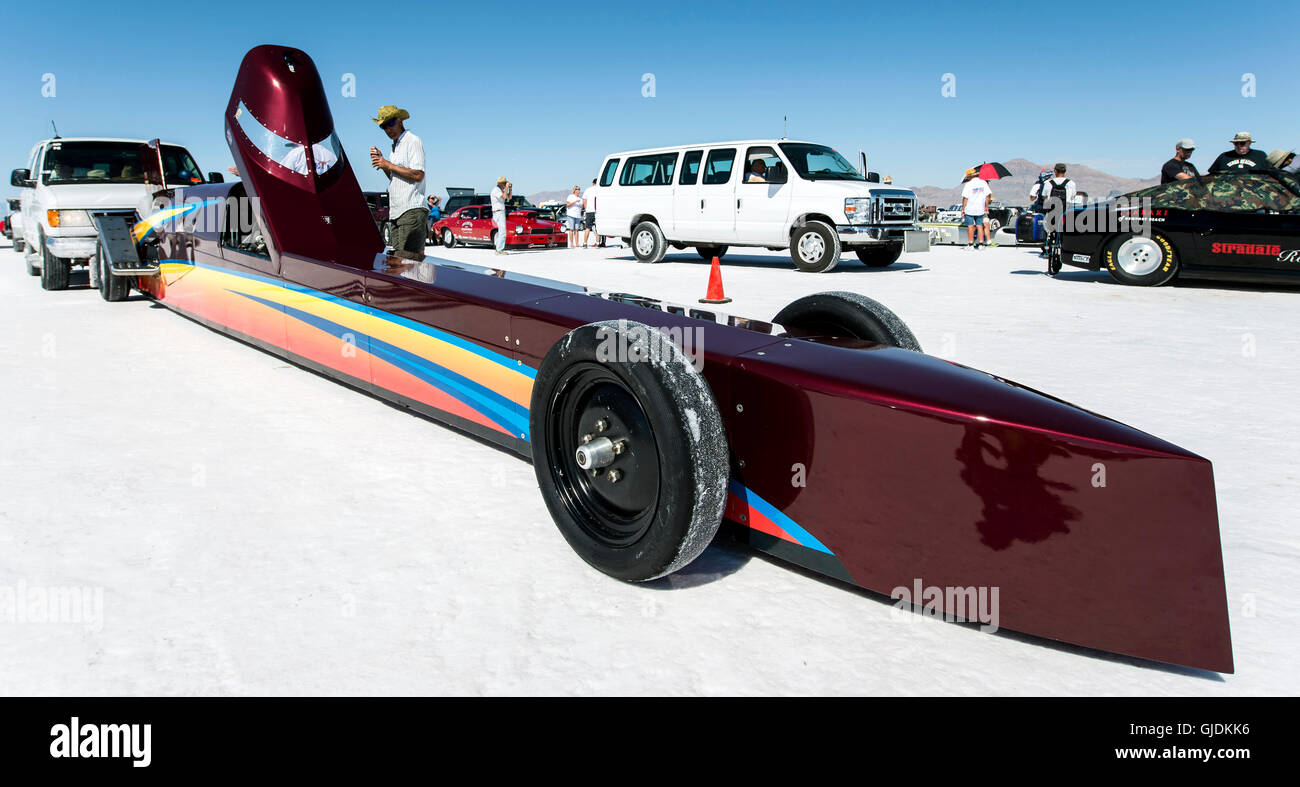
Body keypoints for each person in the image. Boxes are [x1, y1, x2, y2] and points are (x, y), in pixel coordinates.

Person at [369, 105, 427, 260]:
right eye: (383, 126)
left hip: (410, 210)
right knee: (400, 263)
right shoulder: (396, 147)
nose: (388, 129)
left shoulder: (412, 141)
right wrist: (383, 164)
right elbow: (395, 177)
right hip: (397, 212)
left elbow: (418, 174)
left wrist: (388, 164)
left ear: (400, 120)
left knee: (407, 264)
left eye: (390, 123)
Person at [959, 168, 992, 249]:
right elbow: (987, 195)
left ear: (969, 176)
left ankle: (971, 244)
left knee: (970, 226)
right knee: (979, 226)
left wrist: (963, 208)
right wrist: (986, 206)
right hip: (980, 208)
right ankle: (981, 244)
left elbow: (965, 198)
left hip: (969, 209)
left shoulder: (968, 184)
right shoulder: (983, 183)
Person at [490, 176, 512, 255]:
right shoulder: (496, 190)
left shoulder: (500, 190)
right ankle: (499, 250)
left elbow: (509, 197)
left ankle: (498, 249)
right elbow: (505, 196)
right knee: (503, 231)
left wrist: (510, 189)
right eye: (504, 184)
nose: (505, 185)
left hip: (500, 212)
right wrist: (506, 188)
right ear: (501, 184)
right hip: (498, 212)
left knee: (500, 232)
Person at [581, 178, 603, 248]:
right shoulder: (600, 189)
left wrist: (585, 209)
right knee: (597, 228)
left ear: (593, 183)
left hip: (589, 211)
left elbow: (584, 200)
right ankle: (597, 243)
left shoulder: (588, 190)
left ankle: (585, 243)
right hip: (598, 211)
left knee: (587, 228)